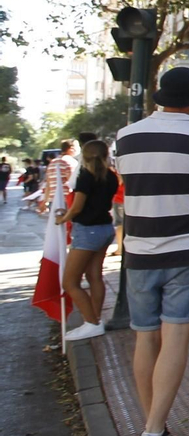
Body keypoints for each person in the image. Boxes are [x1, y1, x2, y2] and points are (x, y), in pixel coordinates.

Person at [115, 67, 189, 436]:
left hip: (140, 250)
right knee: (176, 337)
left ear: (158, 97)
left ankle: (153, 427)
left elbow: (131, 183)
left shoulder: (125, 138)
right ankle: (152, 429)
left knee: (145, 337)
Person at [56, 140, 120, 340]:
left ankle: (91, 322)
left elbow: (77, 207)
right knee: (95, 276)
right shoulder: (111, 176)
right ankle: (95, 319)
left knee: (70, 281)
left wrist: (63, 218)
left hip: (88, 231)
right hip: (104, 228)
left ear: (84, 155)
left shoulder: (86, 176)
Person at [42, 141, 79, 217]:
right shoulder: (71, 162)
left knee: (58, 225)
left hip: (54, 200)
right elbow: (73, 183)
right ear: (71, 149)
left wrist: (45, 201)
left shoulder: (52, 163)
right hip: (67, 200)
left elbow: (48, 184)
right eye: (78, 147)